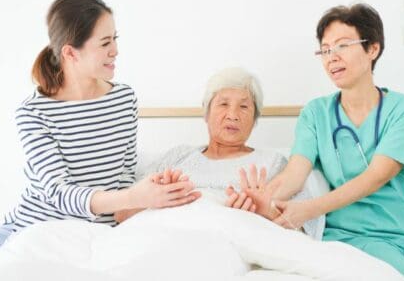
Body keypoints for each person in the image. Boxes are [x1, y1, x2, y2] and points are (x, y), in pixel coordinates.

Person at [0, 0, 199, 265]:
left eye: (115, 38)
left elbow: (125, 179)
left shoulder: (124, 99)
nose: (115, 50)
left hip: (97, 237)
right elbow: (58, 193)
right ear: (70, 53)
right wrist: (132, 196)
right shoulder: (34, 112)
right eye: (105, 42)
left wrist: (150, 195)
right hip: (31, 229)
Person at [235, 4, 404, 280]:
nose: (332, 57)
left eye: (342, 45)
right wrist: (265, 198)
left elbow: (377, 177)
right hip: (355, 237)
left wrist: (307, 210)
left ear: (373, 49)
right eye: (325, 49)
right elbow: (295, 173)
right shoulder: (316, 113)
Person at [117, 67, 324, 239]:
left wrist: (264, 213)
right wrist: (158, 198)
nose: (232, 115)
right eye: (223, 104)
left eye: (244, 107)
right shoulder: (177, 157)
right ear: (206, 113)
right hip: (167, 237)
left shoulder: (272, 163)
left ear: (255, 119)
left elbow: (305, 231)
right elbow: (122, 214)